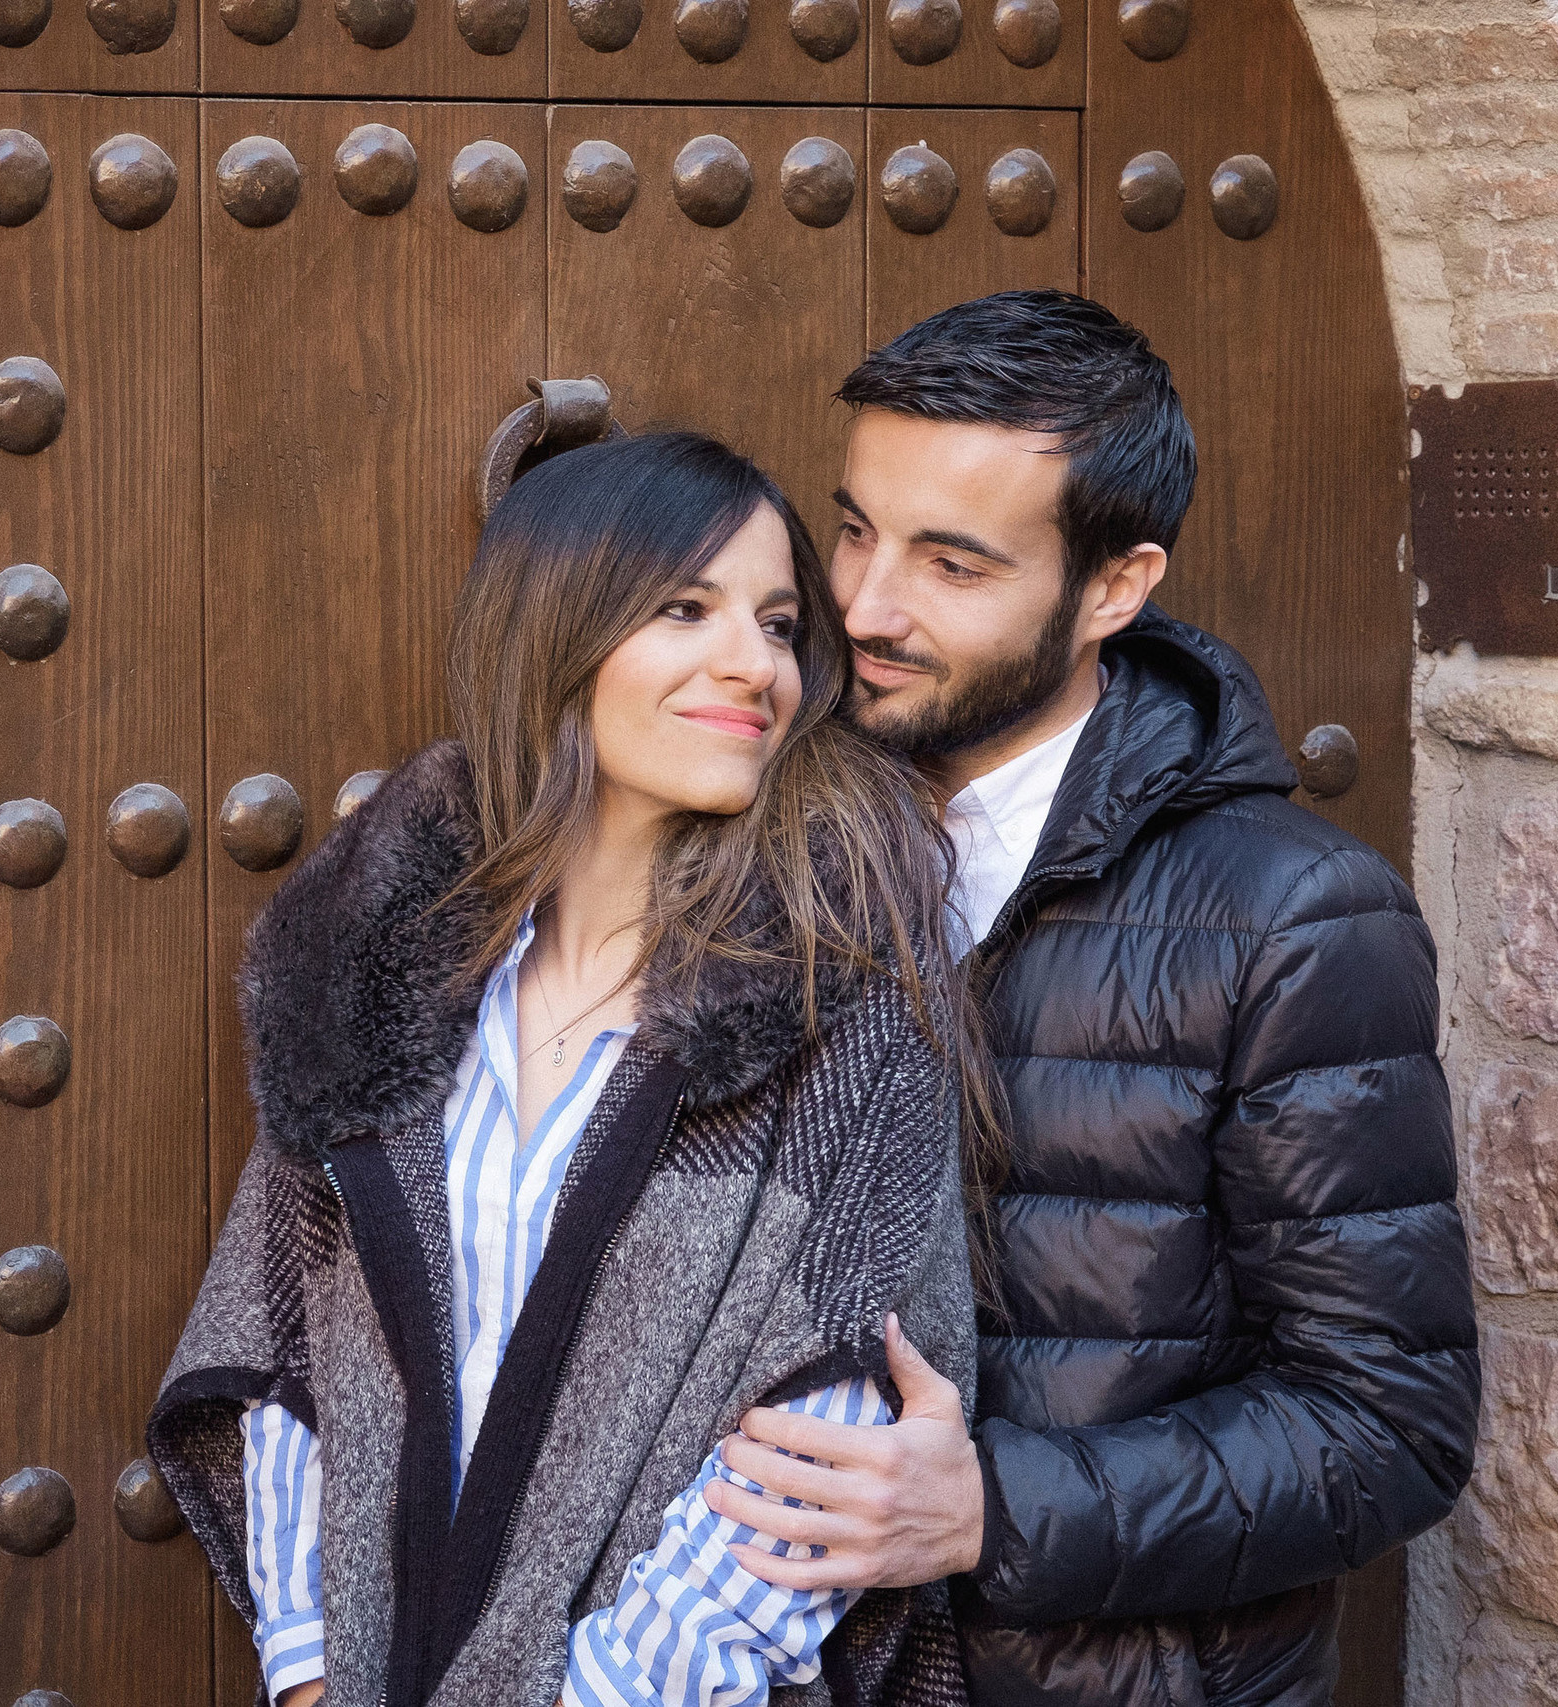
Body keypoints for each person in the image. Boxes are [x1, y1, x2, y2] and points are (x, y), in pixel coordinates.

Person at [703, 291, 1481, 1705]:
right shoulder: (745, 828)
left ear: (1116, 587)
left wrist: (992, 1510)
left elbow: (1388, 1422)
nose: (865, 606)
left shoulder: (1295, 916)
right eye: (857, 530)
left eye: (952, 563)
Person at [148, 432, 983, 1707]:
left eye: (775, 623)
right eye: (684, 609)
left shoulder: (843, 985)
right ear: (553, 634)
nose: (754, 664)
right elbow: (287, 1356)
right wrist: (312, 1673)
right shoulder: (378, 971)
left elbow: (826, 1432)